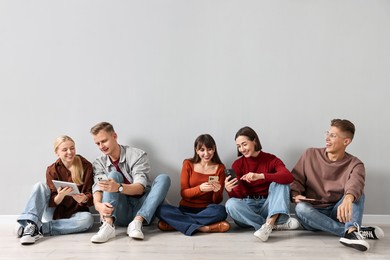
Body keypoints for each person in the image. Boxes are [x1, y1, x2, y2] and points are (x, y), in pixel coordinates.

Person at [291, 119, 384, 252]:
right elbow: (296, 179)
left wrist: (348, 197)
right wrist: (295, 195)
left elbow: (356, 183)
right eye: (327, 133)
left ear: (346, 141)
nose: (327, 138)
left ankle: (351, 231)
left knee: (357, 195)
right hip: (312, 213)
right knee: (301, 208)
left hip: (338, 213)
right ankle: (352, 232)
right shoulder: (310, 154)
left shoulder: (356, 164)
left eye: (333, 136)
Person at [89, 122, 171, 243]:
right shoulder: (98, 163)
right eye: (98, 143)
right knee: (113, 175)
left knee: (164, 178)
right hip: (119, 210)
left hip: (143, 208)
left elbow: (140, 188)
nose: (101, 146)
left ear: (114, 136)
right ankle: (108, 225)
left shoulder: (137, 155)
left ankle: (137, 223)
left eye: (104, 141)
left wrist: (118, 188)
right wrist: (97, 205)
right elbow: (98, 187)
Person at [225, 126, 299, 242]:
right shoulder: (237, 164)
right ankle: (272, 224)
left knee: (281, 182)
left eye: (244, 144)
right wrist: (230, 189)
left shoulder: (271, 159)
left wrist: (260, 176)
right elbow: (238, 198)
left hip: (269, 206)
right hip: (248, 208)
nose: (242, 149)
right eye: (238, 146)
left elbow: (288, 177)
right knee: (230, 204)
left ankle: (268, 225)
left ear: (254, 141)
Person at [16, 135, 94, 245]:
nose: (70, 152)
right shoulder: (52, 169)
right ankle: (31, 223)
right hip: (55, 212)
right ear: (57, 152)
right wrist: (60, 196)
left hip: (77, 212)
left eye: (72, 148)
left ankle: (39, 228)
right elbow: (52, 201)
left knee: (88, 220)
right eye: (65, 149)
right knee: (40, 186)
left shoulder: (86, 166)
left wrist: (84, 198)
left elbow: (90, 193)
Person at [156, 134, 230, 236]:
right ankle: (204, 228)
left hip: (206, 210)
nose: (206, 153)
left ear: (214, 149)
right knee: (160, 209)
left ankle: (176, 224)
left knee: (221, 211)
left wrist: (217, 191)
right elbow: (184, 193)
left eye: (209, 149)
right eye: (202, 150)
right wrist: (200, 188)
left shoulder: (220, 168)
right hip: (185, 208)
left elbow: (216, 201)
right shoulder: (188, 164)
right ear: (196, 150)